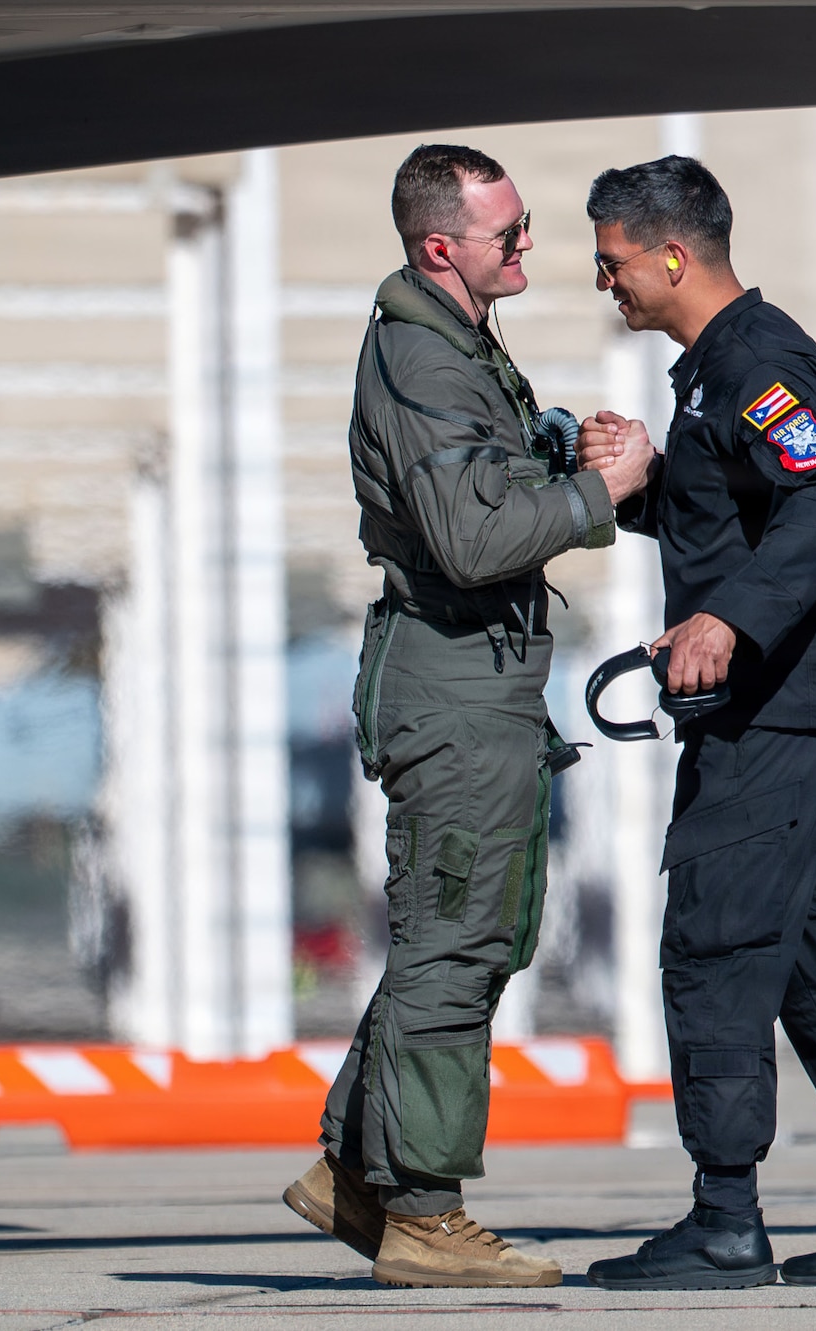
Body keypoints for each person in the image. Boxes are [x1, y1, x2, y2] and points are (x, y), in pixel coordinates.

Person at [574, 155, 816, 1290]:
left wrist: (727, 625)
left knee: (711, 947)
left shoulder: (760, 358)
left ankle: (724, 1218)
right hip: (798, 717)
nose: (607, 283)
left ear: (670, 255)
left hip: (774, 726)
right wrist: (646, 488)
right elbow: (739, 521)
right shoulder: (711, 376)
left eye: (612, 263)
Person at [281, 143, 653, 1289]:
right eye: (509, 233)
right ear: (441, 246)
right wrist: (605, 492)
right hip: (450, 677)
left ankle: (352, 1168)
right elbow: (472, 539)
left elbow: (483, 489)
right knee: (455, 938)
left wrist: (557, 454)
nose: (530, 245)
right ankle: (425, 1216)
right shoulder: (425, 359)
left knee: (474, 930)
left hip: (473, 675)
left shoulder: (455, 346)